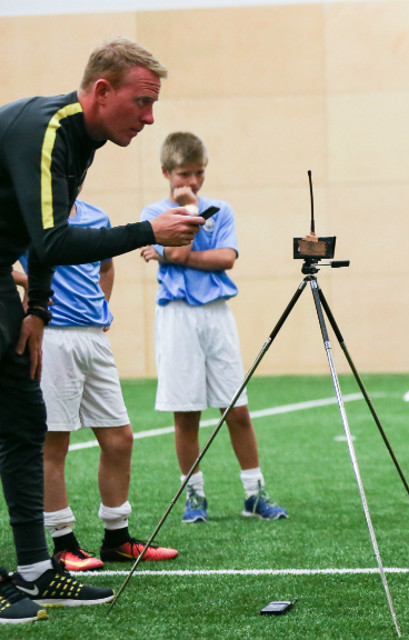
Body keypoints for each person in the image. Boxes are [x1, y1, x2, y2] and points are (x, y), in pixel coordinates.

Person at [0, 37, 201, 623]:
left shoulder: (82, 141)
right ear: (102, 91)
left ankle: (36, 570)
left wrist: (38, 310)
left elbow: (43, 236)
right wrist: (148, 231)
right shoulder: (47, 130)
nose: (150, 117)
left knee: (24, 421)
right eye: (142, 101)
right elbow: (54, 240)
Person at [16, 201, 179, 573]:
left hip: (94, 338)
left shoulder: (96, 215)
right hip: (51, 337)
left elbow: (106, 265)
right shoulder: (28, 211)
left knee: (120, 438)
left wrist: (101, 306)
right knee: (53, 444)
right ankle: (63, 543)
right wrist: (26, 284)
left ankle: (117, 538)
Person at [140, 131, 288, 525]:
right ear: (165, 172)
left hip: (216, 314)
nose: (192, 182)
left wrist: (170, 256)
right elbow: (181, 249)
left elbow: (225, 259)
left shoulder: (221, 209)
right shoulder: (153, 214)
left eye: (199, 173)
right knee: (186, 413)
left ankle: (254, 493)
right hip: (177, 316)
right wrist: (188, 213)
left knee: (236, 408)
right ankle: (194, 495)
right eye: (184, 174)